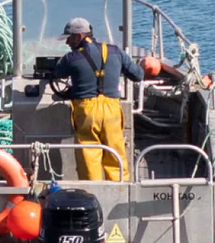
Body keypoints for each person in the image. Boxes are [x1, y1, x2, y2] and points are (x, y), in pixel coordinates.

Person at [50, 17, 146, 182]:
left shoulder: (71, 58)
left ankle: (93, 192)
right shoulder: (116, 51)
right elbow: (138, 75)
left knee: (89, 159)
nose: (67, 42)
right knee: (115, 156)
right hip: (112, 110)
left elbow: (56, 73)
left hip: (86, 112)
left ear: (78, 36)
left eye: (69, 38)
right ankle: (119, 191)